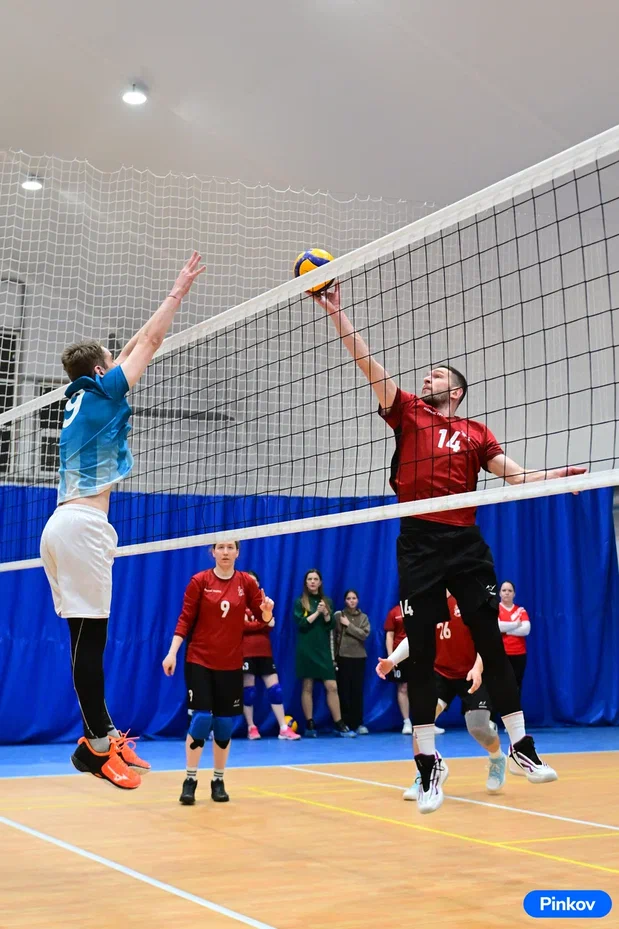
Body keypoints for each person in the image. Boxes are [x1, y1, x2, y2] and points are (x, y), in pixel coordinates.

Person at [313, 282, 582, 813]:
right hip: (419, 541)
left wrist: (553, 479)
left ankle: (521, 746)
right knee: (422, 654)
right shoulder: (408, 411)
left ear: (455, 391)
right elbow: (368, 366)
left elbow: (515, 476)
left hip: (464, 542)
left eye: (436, 375)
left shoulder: (477, 432)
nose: (426, 378)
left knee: (490, 641)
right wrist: (338, 315)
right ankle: (428, 764)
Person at [39, 252, 205, 789]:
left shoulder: (80, 397)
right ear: (100, 371)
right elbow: (148, 344)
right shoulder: (105, 391)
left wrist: (123, 348)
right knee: (91, 642)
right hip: (82, 527)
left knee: (85, 638)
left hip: (63, 524)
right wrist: (177, 292)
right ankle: (96, 747)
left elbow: (131, 348)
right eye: (111, 362)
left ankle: (102, 734)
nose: (120, 364)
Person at [162, 541, 274, 805]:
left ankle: (218, 780)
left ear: (237, 552)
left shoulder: (246, 582)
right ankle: (190, 780)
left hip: (231, 664)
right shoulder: (200, 581)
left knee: (224, 724)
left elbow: (264, 619)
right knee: (202, 719)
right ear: (212, 552)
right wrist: (172, 652)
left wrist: (267, 613)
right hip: (199, 660)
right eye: (220, 547)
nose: (225, 552)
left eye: (230, 547)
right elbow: (185, 619)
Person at [377, 592, 508, 799]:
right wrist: (392, 660)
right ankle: (426, 773)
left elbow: (488, 639)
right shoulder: (429, 601)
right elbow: (416, 637)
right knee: (422, 723)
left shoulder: (470, 598)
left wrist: (477, 668)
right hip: (441, 673)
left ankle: (497, 757)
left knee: (478, 727)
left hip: (473, 671)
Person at [294, 569, 355, 737]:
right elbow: (301, 624)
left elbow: (330, 626)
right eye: (310, 579)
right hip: (306, 649)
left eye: (316, 579)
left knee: (332, 686)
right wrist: (317, 613)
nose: (313, 582)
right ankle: (310, 724)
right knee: (307, 686)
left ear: (320, 582)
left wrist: (327, 613)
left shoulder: (327, 601)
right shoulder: (300, 601)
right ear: (306, 582)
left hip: (323, 650)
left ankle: (339, 723)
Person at [242, 570, 300, 741]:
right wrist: (262, 623)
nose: (252, 584)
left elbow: (271, 625)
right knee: (249, 692)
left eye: (255, 581)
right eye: (249, 581)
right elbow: (242, 626)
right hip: (246, 652)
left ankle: (283, 728)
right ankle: (251, 727)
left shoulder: (264, 603)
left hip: (265, 652)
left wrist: (259, 623)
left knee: (276, 690)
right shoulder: (238, 602)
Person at [383, 603, 445, 737]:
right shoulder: (394, 612)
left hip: (421, 653)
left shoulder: (423, 609)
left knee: (425, 687)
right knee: (403, 688)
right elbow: (390, 635)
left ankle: (428, 723)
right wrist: (391, 658)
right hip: (401, 656)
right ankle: (407, 722)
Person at [334, 590, 371, 734]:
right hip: (343, 657)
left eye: (354, 598)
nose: (351, 601)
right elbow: (333, 636)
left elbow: (364, 634)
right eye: (349, 598)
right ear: (345, 601)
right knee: (343, 691)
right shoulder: (339, 616)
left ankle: (358, 723)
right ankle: (344, 723)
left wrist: (348, 625)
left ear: (358, 600)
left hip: (359, 658)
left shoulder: (363, 617)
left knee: (357, 691)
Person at [498, 580, 531, 698]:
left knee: (516, 686)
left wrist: (505, 630)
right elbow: (496, 627)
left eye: (510, 590)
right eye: (504, 590)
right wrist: (516, 624)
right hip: (500, 654)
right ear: (499, 593)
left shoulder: (520, 610)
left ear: (514, 594)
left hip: (519, 654)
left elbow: (526, 630)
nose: (507, 593)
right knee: (499, 686)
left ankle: (514, 710)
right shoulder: (494, 609)